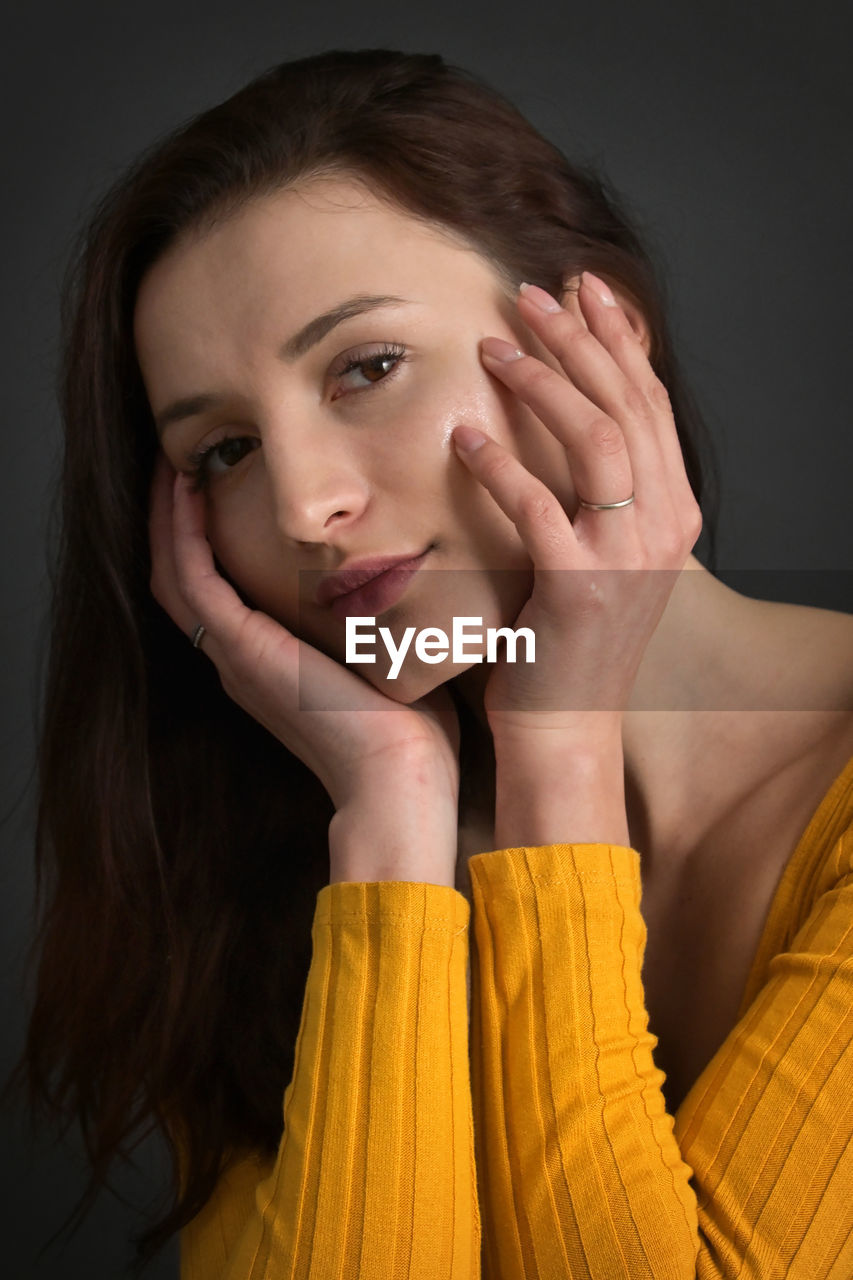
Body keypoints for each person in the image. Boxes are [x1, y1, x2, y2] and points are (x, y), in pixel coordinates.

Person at [17, 46, 853, 1278]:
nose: (303, 505)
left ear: (598, 332)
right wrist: (394, 813)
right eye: (225, 451)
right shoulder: (273, 876)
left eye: (365, 367)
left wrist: (556, 750)